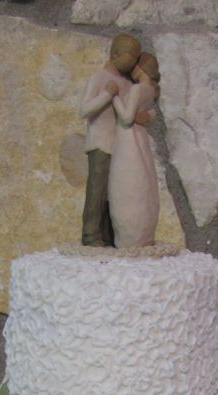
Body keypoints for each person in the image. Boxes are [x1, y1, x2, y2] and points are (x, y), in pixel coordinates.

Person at [79, 34, 141, 247]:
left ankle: (108, 234)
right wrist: (107, 95)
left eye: (136, 57)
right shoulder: (99, 78)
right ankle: (90, 234)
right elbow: (84, 110)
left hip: (121, 148)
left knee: (114, 193)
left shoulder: (127, 84)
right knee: (97, 190)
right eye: (130, 55)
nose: (133, 60)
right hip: (100, 143)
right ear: (115, 53)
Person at [107, 52, 161, 250]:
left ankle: (130, 238)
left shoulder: (138, 89)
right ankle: (143, 235)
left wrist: (114, 98)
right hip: (141, 139)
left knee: (128, 185)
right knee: (144, 183)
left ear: (140, 68)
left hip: (128, 138)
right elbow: (151, 115)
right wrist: (145, 116)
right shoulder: (151, 91)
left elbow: (127, 117)